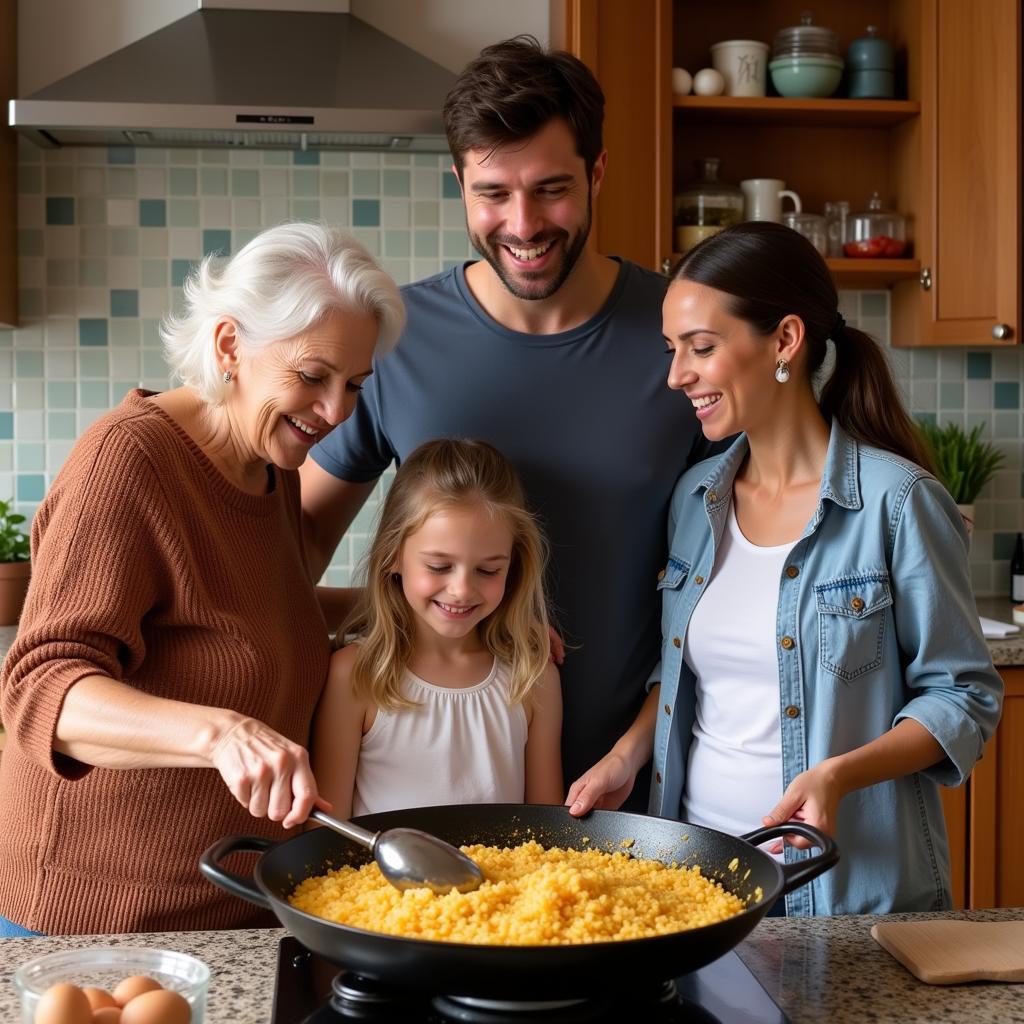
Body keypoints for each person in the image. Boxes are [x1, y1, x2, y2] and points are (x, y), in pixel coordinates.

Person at [300, 36, 710, 798]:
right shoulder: (394, 338)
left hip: (648, 784)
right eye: (493, 193)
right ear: (459, 181)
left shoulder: (685, 336)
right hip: (441, 795)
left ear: (598, 172)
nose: (522, 224)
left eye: (551, 188)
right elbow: (295, 547)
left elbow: (735, 587)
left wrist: (632, 751)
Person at [567, 221, 1003, 916]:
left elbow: (964, 698)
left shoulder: (898, 502)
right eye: (673, 350)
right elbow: (683, 671)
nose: (677, 375)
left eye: (701, 348)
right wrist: (627, 755)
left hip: (841, 892)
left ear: (785, 341)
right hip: (698, 886)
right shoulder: (695, 498)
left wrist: (836, 774)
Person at [0, 222, 405, 936]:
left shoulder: (266, 466)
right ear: (230, 347)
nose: (337, 412)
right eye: (313, 377)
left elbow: (244, 618)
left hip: (233, 899)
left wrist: (424, 610)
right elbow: (41, 689)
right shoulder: (127, 464)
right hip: (107, 917)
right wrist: (219, 734)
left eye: (354, 386)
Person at [312, 438, 563, 818]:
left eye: (488, 570)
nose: (462, 589)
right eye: (439, 566)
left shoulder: (534, 677)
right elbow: (325, 838)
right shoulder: (354, 675)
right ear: (393, 556)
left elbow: (549, 835)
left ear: (513, 568)